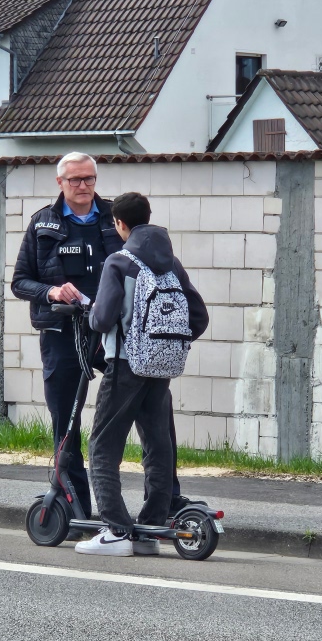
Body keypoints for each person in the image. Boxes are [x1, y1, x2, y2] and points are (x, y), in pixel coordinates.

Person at [11, 152, 198, 524]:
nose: (83, 186)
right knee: (66, 420)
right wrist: (51, 292)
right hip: (63, 331)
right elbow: (20, 282)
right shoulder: (42, 222)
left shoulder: (118, 217)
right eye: (75, 180)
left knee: (155, 415)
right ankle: (74, 504)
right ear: (60, 182)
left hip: (117, 332)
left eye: (89, 179)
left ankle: (165, 500)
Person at [75, 192, 209, 557]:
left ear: (120, 224)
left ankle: (116, 531)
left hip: (124, 366)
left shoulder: (119, 262)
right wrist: (165, 343)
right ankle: (149, 531)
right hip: (161, 369)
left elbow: (103, 318)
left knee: (103, 446)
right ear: (148, 217)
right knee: (158, 446)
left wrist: (91, 316)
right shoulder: (172, 264)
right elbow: (198, 317)